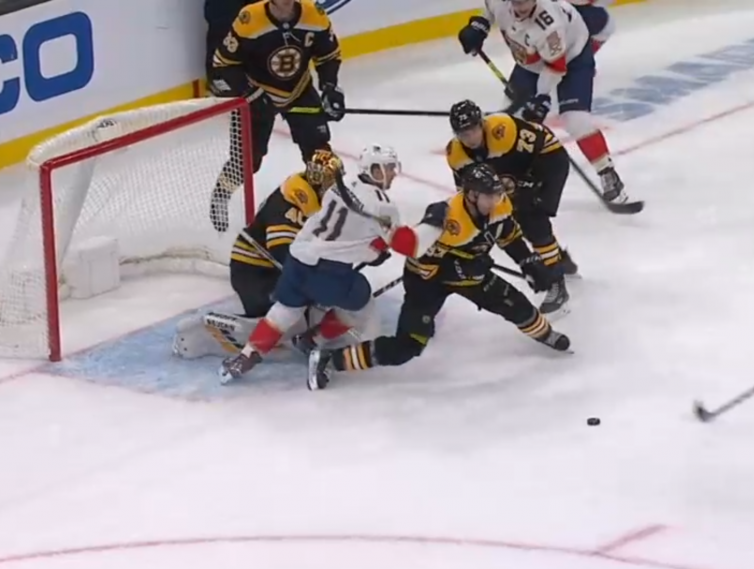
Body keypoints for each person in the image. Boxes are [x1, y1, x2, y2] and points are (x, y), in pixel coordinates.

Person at [306, 163, 571, 391]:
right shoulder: (445, 218)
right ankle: (331, 359)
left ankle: (545, 334)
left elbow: (508, 236)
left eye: (497, 194)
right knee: (407, 346)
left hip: (472, 274)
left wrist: (527, 261)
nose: (495, 201)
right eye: (489, 196)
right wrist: (463, 269)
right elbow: (422, 263)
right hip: (427, 281)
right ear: (471, 195)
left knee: (515, 303)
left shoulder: (498, 206)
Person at [218, 144, 404, 384]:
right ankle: (313, 341)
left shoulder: (335, 189)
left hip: (296, 261)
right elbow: (398, 243)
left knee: (286, 309)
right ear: (374, 169)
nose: (392, 173)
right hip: (310, 270)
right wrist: (377, 251)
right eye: (387, 168)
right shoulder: (381, 206)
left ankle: (247, 355)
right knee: (361, 306)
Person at [172, 149, 343, 359]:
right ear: (318, 181)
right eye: (331, 182)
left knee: (310, 311)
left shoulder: (312, 200)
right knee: (286, 318)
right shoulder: (288, 204)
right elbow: (282, 252)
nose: (336, 189)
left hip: (271, 270)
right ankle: (203, 329)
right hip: (253, 272)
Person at [457, 0, 631, 206]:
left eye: (525, 3)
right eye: (516, 3)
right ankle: (508, 177)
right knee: (508, 121)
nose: (521, 9)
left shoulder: (549, 24)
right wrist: (479, 26)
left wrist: (541, 97)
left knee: (575, 120)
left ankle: (607, 172)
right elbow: (489, 9)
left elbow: (555, 68)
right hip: (530, 63)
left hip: (572, 59)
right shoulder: (501, 3)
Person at [207, 0, 346, 232]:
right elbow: (223, 65)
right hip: (256, 96)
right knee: (247, 162)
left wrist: (330, 87)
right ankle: (222, 194)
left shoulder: (314, 15)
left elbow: (328, 56)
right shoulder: (250, 19)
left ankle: (330, 208)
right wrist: (251, 93)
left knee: (320, 155)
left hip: (299, 90)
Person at [446, 99, 574, 315]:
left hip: (547, 160)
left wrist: (525, 188)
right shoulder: (456, 154)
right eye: (463, 134)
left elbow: (536, 156)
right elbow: (467, 196)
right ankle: (558, 258)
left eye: (473, 130)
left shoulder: (502, 129)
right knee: (512, 215)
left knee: (532, 218)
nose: (469, 138)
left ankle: (556, 281)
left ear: (482, 124)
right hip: (511, 173)